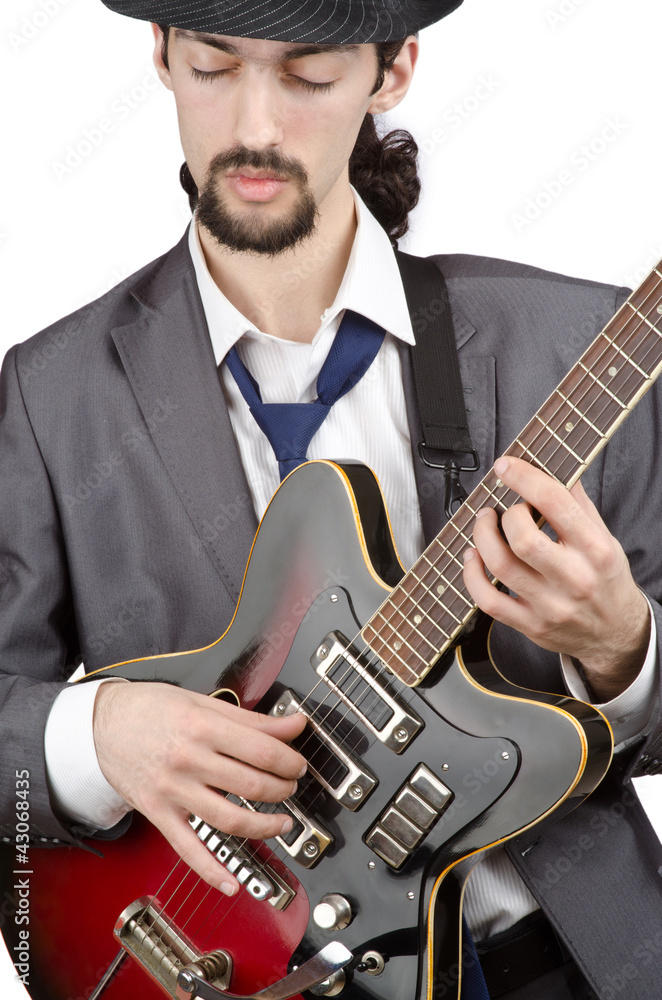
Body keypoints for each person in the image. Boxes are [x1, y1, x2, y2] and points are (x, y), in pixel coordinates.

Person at [1, 1, 661, 998]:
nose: (256, 125)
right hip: (210, 961)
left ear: (391, 71)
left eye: (307, 74)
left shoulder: (581, 350)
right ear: (161, 55)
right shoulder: (52, 393)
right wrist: (96, 735)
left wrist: (622, 650)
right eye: (215, 67)